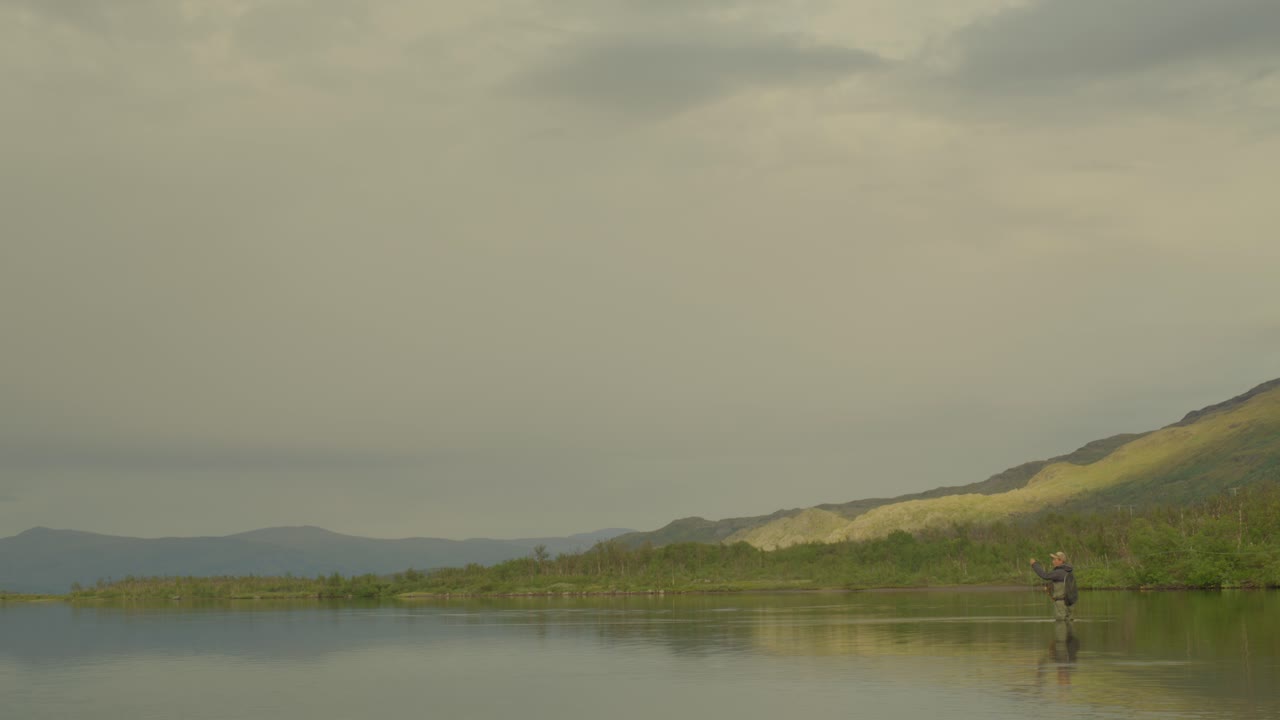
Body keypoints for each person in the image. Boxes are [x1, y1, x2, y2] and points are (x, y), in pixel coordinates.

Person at [1030, 551, 1075, 622]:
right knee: (1069, 624)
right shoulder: (1068, 571)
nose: (1053, 561)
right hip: (1069, 603)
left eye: (1054, 559)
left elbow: (1045, 575)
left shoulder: (1059, 572)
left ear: (1060, 561)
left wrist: (1034, 564)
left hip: (1061, 604)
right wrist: (1050, 587)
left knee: (1061, 626)